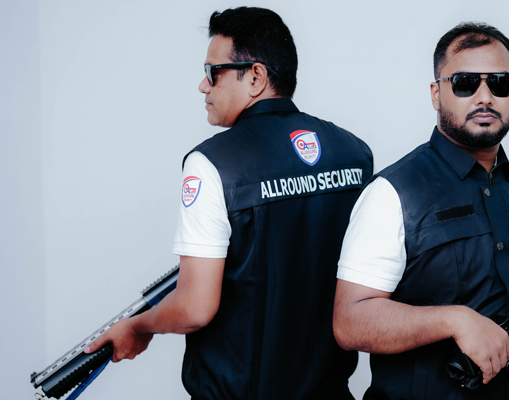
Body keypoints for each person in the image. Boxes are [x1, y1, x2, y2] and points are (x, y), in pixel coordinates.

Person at [87, 7, 372, 400]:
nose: (202, 86)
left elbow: (194, 307)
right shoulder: (355, 153)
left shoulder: (212, 164)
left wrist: (138, 326)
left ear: (255, 77)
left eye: (213, 72)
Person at [333, 22, 509, 399]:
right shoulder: (393, 193)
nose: (485, 97)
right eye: (465, 83)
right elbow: (350, 321)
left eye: (499, 83)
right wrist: (454, 320)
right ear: (436, 93)